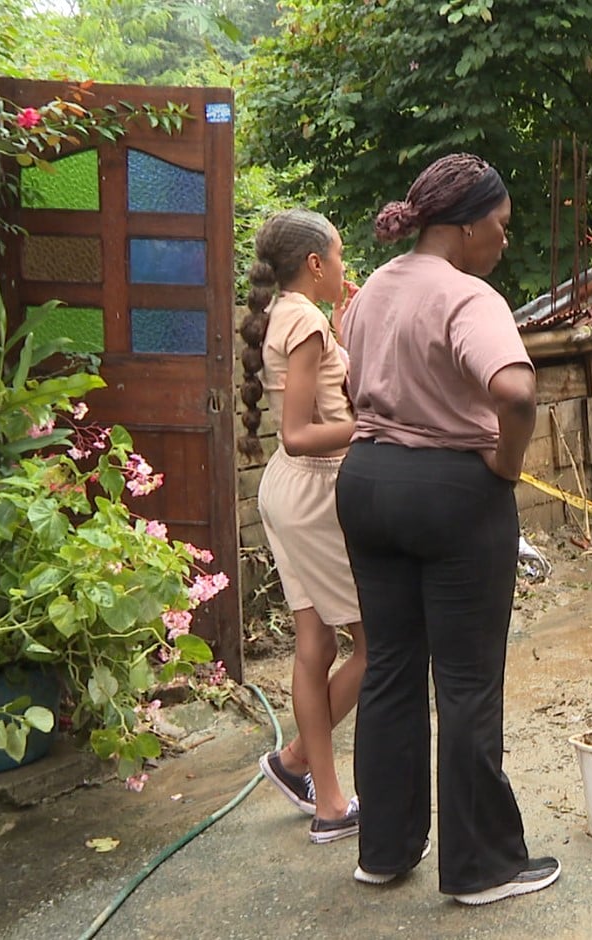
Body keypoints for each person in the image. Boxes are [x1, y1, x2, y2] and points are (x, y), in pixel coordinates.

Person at [335, 153, 556, 904]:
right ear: (464, 227)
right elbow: (516, 392)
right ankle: (481, 867)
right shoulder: (470, 296)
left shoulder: (372, 291)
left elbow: (351, 384)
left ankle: (385, 850)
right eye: (500, 226)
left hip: (366, 483)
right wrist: (505, 466)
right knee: (465, 683)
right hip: (452, 493)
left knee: (390, 668)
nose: (504, 240)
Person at [242, 209, 366, 845]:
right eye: (339, 255)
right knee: (379, 644)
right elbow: (297, 433)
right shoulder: (305, 321)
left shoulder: (290, 314)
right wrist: (377, 428)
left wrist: (342, 325)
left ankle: (310, 781)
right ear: (315, 264)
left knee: (316, 644)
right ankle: (314, 782)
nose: (344, 266)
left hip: (291, 491)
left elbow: (322, 397)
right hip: (314, 492)